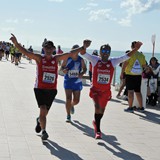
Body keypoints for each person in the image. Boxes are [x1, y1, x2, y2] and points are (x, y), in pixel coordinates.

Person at [10, 33, 91, 140]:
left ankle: (39, 120)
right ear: (43, 48)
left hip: (52, 90)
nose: (48, 50)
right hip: (39, 89)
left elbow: (70, 53)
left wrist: (83, 47)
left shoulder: (56, 59)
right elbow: (26, 52)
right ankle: (44, 131)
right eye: (46, 48)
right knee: (43, 109)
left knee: (44, 113)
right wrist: (16, 43)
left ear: (53, 49)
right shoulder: (39, 58)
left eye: (50, 48)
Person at [80, 41, 143, 139]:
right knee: (97, 107)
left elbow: (125, 57)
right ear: (100, 52)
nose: (105, 52)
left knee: (101, 111)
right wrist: (84, 46)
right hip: (95, 90)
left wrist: (135, 49)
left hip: (106, 92)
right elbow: (83, 53)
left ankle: (96, 123)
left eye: (107, 51)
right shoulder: (95, 60)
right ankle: (98, 131)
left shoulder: (113, 61)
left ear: (110, 52)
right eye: (103, 50)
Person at [61, 44, 87, 122]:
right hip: (68, 81)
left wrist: (82, 73)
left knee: (76, 100)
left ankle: (71, 105)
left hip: (77, 81)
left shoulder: (81, 59)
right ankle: (68, 115)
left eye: (77, 50)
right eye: (74, 50)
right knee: (68, 98)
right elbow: (62, 67)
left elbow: (85, 69)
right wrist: (63, 70)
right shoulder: (67, 58)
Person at [124, 41, 147, 112]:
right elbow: (144, 66)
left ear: (131, 46)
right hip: (138, 76)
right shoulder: (142, 55)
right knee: (138, 91)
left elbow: (125, 65)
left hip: (130, 75)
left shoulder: (129, 54)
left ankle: (130, 107)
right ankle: (141, 107)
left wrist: (122, 73)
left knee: (130, 91)